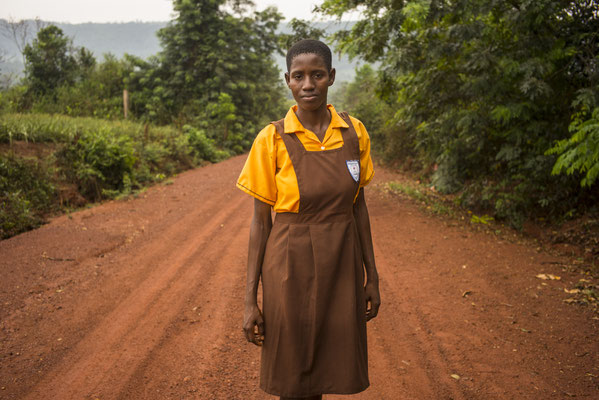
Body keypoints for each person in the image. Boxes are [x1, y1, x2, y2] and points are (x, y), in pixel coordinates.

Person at [237, 39, 381, 400]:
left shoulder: (353, 132)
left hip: (342, 262)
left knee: (331, 364)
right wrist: (250, 298)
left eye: (317, 75)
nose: (308, 84)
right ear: (287, 80)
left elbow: (358, 208)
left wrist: (372, 277)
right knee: (294, 371)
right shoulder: (271, 138)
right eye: (298, 76)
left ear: (331, 77)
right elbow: (260, 222)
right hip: (290, 262)